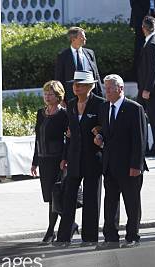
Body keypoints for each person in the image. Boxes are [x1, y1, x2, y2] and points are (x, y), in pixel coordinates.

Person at [94, 75, 148, 248]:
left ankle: (133, 236)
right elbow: (104, 130)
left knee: (132, 202)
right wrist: (100, 137)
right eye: (105, 88)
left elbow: (140, 139)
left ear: (120, 88)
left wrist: (136, 165)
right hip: (110, 165)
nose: (106, 91)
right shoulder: (104, 108)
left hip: (129, 166)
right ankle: (110, 236)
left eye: (110, 88)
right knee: (110, 203)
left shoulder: (134, 108)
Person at [56, 71, 105, 245]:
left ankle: (90, 237)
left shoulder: (100, 104)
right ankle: (63, 237)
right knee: (69, 198)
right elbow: (69, 134)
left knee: (92, 199)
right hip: (74, 158)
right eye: (75, 84)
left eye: (81, 84)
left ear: (90, 86)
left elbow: (107, 128)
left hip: (93, 158)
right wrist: (64, 156)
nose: (76, 87)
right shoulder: (70, 104)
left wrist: (99, 133)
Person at [31, 80, 70, 243]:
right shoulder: (41, 113)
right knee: (49, 196)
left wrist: (65, 158)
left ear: (58, 96)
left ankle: (50, 231)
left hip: (57, 160)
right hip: (44, 159)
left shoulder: (64, 114)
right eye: (45, 93)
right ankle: (70, 224)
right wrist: (34, 162)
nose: (47, 96)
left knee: (56, 195)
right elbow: (38, 138)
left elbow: (68, 139)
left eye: (51, 94)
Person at [138, 16, 155, 157]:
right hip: (148, 88)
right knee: (144, 117)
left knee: (154, 119)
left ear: (144, 28)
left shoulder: (153, 43)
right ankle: (147, 146)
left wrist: (147, 89)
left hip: (150, 89)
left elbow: (153, 69)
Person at [54, 27, 102, 102]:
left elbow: (96, 75)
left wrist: (101, 94)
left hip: (92, 94)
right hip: (72, 97)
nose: (85, 39)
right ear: (73, 39)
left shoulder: (90, 53)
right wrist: (61, 100)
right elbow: (59, 78)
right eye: (82, 37)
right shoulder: (63, 56)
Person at [131, 0, 155, 78]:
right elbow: (134, 4)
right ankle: (138, 75)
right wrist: (146, 17)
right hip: (141, 21)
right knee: (140, 48)